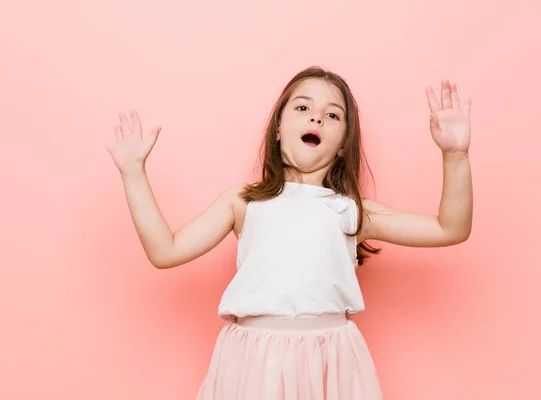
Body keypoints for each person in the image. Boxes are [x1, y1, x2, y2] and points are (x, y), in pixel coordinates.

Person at [107, 65, 473, 399]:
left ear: (344, 144)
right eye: (302, 108)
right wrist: (133, 174)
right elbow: (165, 251)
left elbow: (449, 228)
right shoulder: (242, 201)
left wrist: (455, 155)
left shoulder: (351, 210)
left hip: (332, 362)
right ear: (279, 130)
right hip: (253, 364)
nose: (317, 116)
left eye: (333, 114)